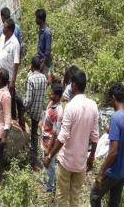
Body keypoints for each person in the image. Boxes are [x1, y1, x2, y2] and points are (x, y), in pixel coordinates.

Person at [43, 70, 99, 207]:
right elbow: (95, 136)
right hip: (81, 162)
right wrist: (91, 157)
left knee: (62, 197)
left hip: (66, 161)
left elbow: (62, 137)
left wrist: (50, 156)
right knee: (76, 198)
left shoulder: (70, 107)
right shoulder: (93, 106)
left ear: (73, 85)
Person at [90, 83, 124, 207]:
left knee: (95, 195)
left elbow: (113, 152)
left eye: (110, 99)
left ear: (113, 98)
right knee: (114, 203)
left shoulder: (116, 118)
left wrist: (101, 173)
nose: (110, 102)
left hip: (113, 171)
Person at [24, 56, 48, 171]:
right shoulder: (44, 78)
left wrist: (23, 109)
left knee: (33, 135)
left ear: (32, 66)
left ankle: (32, 161)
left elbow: (28, 101)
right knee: (35, 134)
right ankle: (34, 158)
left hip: (31, 110)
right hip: (39, 111)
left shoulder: (31, 79)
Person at [41, 82, 64, 192]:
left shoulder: (58, 112)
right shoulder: (51, 104)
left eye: (52, 94)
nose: (50, 95)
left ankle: (50, 188)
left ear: (58, 96)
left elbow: (55, 133)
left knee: (50, 163)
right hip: (45, 138)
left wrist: (50, 149)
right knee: (45, 162)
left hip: (50, 141)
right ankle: (45, 182)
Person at [0, 18, 20, 123]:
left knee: (10, 100)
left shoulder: (15, 43)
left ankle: (13, 121)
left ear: (10, 30)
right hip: (0, 75)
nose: (2, 28)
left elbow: (16, 63)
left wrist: (13, 80)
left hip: (9, 78)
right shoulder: (2, 37)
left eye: (4, 27)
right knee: (2, 99)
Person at [35, 9, 52, 81]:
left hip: (45, 62)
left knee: (44, 80)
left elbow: (47, 51)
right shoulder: (41, 29)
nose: (35, 19)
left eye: (36, 18)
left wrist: (43, 64)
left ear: (40, 19)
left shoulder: (47, 32)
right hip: (40, 59)